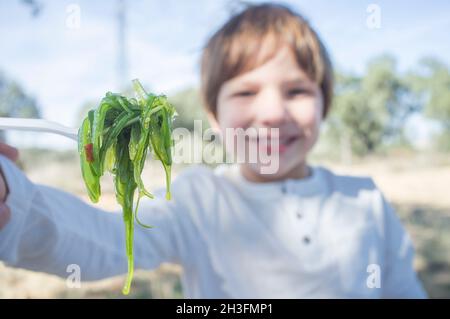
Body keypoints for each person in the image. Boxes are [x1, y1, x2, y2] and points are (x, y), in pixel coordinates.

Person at [0, 3, 426, 298]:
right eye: (246, 92)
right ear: (214, 114)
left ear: (325, 102)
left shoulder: (365, 199)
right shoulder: (199, 199)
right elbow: (100, 241)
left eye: (297, 90)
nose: (273, 113)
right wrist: (10, 196)